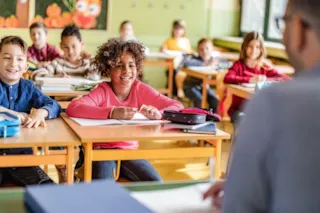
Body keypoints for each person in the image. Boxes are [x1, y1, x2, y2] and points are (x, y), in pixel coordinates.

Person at [206, 0, 320, 212]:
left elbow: (241, 206)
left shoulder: (274, 102)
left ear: (298, 29)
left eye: (283, 22)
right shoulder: (242, 69)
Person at [66, 38, 183, 181]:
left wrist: (160, 114)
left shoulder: (140, 89)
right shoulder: (103, 90)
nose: (126, 71)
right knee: (104, 186)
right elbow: (73, 108)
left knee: (156, 183)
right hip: (101, 151)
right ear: (109, 69)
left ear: (137, 68)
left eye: (131, 65)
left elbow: (177, 106)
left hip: (129, 151)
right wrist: (111, 112)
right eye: (119, 66)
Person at [0, 36, 61, 186]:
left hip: (23, 159)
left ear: (26, 66)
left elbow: (54, 105)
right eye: (7, 57)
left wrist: (42, 112)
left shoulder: (28, 87)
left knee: (49, 188)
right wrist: (18, 116)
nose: (13, 64)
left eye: (20, 59)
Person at [223, 31, 290, 123]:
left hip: (258, 111)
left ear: (261, 49)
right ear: (245, 47)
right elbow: (227, 78)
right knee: (249, 121)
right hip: (239, 111)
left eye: (257, 47)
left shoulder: (264, 67)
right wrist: (250, 79)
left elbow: (285, 78)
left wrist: (266, 80)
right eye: (250, 46)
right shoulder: (238, 65)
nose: (254, 50)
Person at [31, 25, 100, 81]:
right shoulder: (57, 63)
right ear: (61, 46)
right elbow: (35, 75)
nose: (70, 51)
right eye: (66, 47)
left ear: (81, 44)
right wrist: (53, 77)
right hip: (60, 97)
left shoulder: (86, 63)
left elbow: (95, 76)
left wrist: (92, 58)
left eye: (74, 46)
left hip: (82, 97)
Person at [182, 38, 220, 112]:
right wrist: (205, 64)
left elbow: (222, 65)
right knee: (200, 99)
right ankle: (198, 118)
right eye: (201, 49)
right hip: (189, 87)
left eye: (207, 48)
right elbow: (185, 63)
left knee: (214, 100)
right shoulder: (194, 58)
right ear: (198, 50)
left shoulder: (213, 60)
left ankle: (212, 118)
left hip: (204, 86)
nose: (204, 51)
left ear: (211, 49)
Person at [161, 19, 192, 97]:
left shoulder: (186, 41)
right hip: (171, 67)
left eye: (180, 28)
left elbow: (189, 53)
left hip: (182, 68)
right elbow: (163, 51)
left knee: (181, 79)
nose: (178, 31)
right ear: (172, 29)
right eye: (176, 28)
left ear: (184, 30)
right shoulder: (169, 41)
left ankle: (178, 94)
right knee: (170, 84)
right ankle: (171, 97)